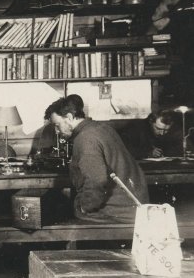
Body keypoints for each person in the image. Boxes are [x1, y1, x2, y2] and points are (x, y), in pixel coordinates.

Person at [45, 95, 149, 223]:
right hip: (133, 207)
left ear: (69, 118)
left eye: (57, 125)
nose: (56, 131)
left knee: (61, 214)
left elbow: (96, 180)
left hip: (115, 212)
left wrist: (84, 207)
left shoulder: (86, 138)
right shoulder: (102, 128)